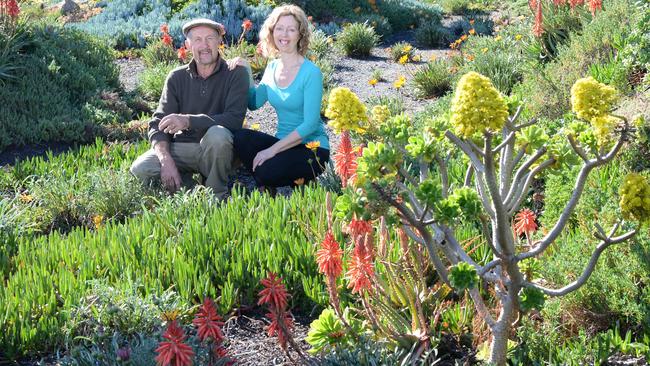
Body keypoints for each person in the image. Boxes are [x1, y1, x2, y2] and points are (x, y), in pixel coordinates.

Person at [130, 18, 249, 198]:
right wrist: (166, 160)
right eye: (197, 40)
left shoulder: (235, 74)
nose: (205, 45)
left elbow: (234, 120)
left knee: (218, 134)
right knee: (141, 169)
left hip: (219, 151)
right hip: (185, 148)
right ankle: (192, 192)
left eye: (210, 38)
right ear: (187, 45)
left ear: (219, 41)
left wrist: (188, 121)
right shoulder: (176, 77)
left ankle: (217, 195)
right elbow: (158, 124)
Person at [227, 4, 330, 192]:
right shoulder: (273, 67)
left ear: (300, 34)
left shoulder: (311, 73)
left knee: (265, 171)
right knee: (240, 137)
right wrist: (247, 71)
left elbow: (310, 125)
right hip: (284, 144)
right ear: (272, 32)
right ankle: (270, 180)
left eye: (291, 29)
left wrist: (271, 151)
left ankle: (281, 180)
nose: (284, 35)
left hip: (313, 149)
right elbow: (254, 103)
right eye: (280, 28)